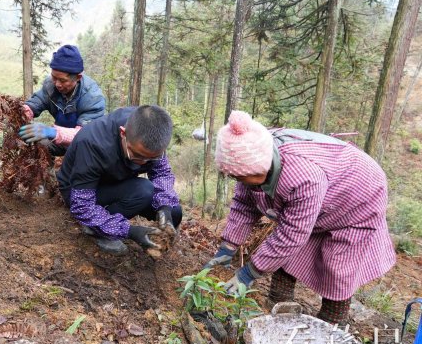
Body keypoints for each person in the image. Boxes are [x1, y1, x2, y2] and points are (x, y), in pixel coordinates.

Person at [203, 110, 396, 324]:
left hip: (358, 198)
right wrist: (227, 247)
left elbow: (291, 235)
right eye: (234, 177)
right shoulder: (248, 153)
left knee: (338, 271)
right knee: (287, 262)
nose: (238, 180)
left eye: (240, 177)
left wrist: (248, 273)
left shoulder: (302, 177)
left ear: (263, 167)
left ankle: (330, 326)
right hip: (320, 198)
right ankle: (279, 316)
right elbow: (244, 205)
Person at [57, 105, 183, 255]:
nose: (143, 162)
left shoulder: (151, 130)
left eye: (151, 158)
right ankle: (97, 229)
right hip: (79, 190)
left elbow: (162, 173)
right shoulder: (92, 144)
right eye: (137, 155)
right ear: (123, 133)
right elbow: (82, 205)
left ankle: (158, 244)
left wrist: (165, 208)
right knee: (143, 191)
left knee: (174, 211)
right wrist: (129, 231)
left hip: (117, 180)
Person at [18, 45, 105, 156]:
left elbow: (84, 134)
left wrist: (51, 132)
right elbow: (37, 102)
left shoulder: (92, 97)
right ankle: (44, 173)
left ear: (78, 77)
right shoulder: (50, 85)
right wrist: (22, 112)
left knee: (80, 165)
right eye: (54, 77)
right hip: (59, 140)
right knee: (34, 141)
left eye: (63, 80)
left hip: (84, 145)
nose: (57, 84)